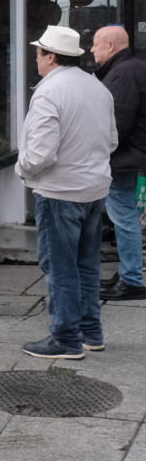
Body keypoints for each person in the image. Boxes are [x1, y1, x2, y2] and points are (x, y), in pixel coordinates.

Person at [16, 25, 117, 359]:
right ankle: (90, 332)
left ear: (51, 57)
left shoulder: (49, 91)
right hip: (93, 188)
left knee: (60, 267)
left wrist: (22, 169)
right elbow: (112, 140)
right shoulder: (97, 88)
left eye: (39, 53)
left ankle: (66, 338)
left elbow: (40, 154)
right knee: (86, 265)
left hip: (59, 191)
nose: (36, 59)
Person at [91, 25, 146, 301]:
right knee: (123, 216)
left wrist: (98, 151)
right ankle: (128, 273)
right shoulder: (128, 68)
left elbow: (117, 123)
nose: (92, 50)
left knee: (123, 217)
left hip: (121, 157)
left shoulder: (124, 72)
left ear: (111, 46)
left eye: (96, 44)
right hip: (127, 155)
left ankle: (132, 278)